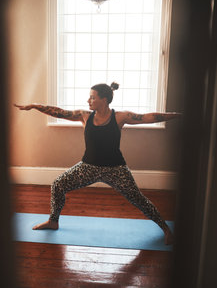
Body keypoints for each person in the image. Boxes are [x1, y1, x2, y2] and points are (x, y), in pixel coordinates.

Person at [14, 82, 180, 245]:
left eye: (92, 98)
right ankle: (53, 221)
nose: (88, 101)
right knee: (58, 185)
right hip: (88, 167)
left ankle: (165, 229)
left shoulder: (120, 117)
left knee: (139, 199)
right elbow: (59, 112)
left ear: (104, 99)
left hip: (116, 169)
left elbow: (149, 117)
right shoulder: (84, 115)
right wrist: (35, 105)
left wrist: (176, 114)